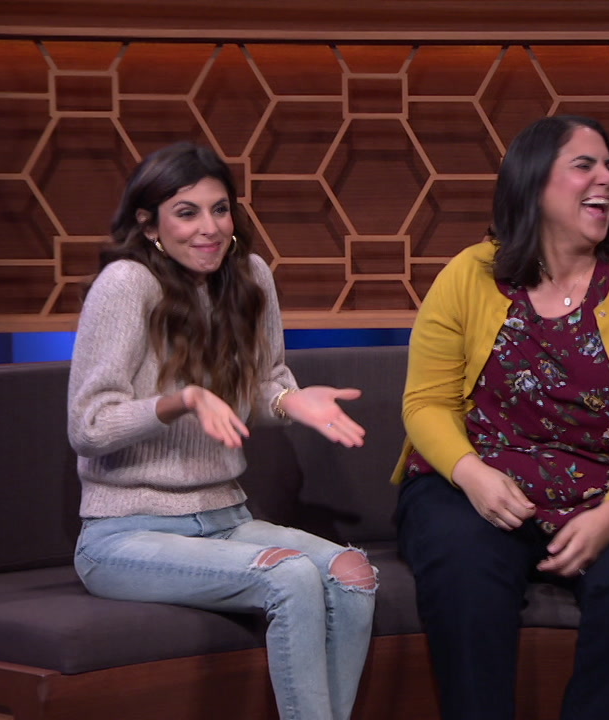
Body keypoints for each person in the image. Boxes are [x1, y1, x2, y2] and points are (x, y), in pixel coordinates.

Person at [392, 114, 609, 720]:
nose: (606, 178)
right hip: (480, 486)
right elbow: (425, 402)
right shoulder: (469, 274)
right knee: (461, 565)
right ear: (533, 182)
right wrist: (472, 475)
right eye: (584, 165)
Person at [67, 142, 377, 720]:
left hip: (226, 516)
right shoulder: (126, 284)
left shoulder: (250, 276)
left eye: (219, 209)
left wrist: (290, 400)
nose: (208, 228)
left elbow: (262, 387)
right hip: (125, 533)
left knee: (351, 573)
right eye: (186, 213)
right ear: (150, 224)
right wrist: (179, 401)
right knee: (290, 576)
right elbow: (88, 426)